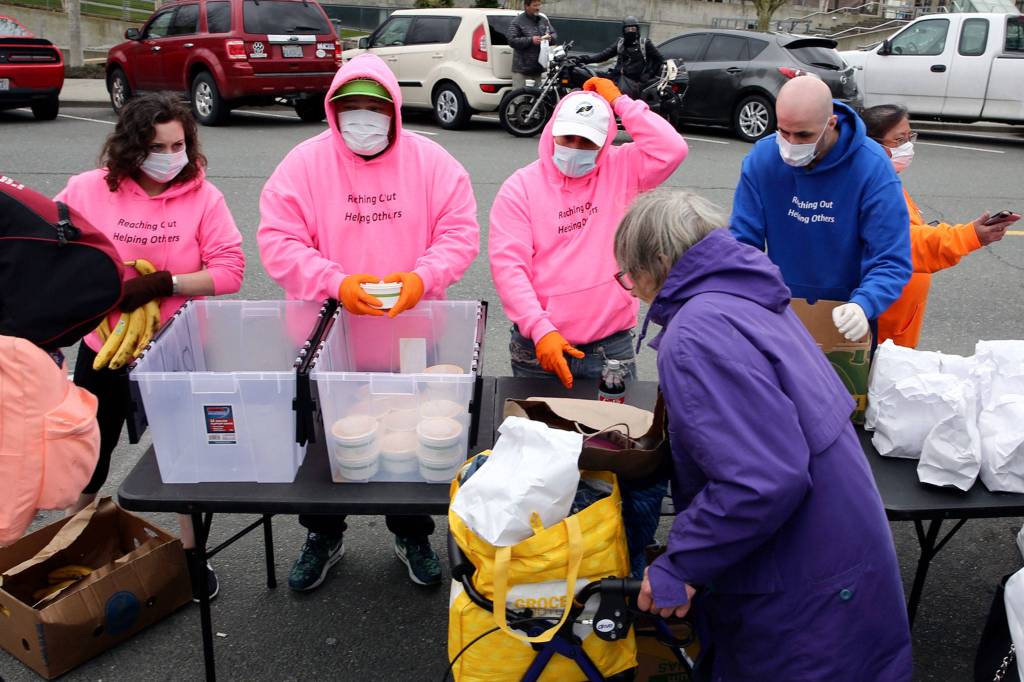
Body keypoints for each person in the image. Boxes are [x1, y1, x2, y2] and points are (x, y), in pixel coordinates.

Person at [616, 188, 913, 680]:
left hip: (802, 572)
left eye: (630, 274)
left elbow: (759, 479)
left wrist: (681, 565)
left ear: (662, 263)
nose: (631, 286)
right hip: (837, 536)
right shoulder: (747, 291)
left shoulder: (694, 333)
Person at [257, 54, 479, 592]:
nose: (362, 119)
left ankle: (411, 532)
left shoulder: (432, 162)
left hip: (409, 333)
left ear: (394, 111)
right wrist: (335, 282)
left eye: (374, 108)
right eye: (350, 107)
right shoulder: (304, 164)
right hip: (329, 333)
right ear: (333, 111)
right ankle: (322, 534)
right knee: (328, 445)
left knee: (408, 440)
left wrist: (422, 279)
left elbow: (459, 234)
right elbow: (277, 241)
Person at [488, 77, 687, 576]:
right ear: (551, 132)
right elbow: (509, 266)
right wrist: (540, 328)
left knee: (626, 456)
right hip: (541, 348)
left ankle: (625, 562)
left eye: (587, 143)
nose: (574, 151)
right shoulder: (521, 187)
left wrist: (622, 103)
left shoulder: (621, 169)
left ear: (605, 144)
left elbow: (672, 148)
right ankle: (549, 558)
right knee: (545, 459)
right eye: (567, 138)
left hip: (612, 345)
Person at [57, 92, 246, 601]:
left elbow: (230, 271)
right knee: (90, 455)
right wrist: (99, 286)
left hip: (178, 349)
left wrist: (166, 283)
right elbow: (59, 258)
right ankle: (69, 554)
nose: (171, 154)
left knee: (184, 459)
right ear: (131, 147)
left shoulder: (205, 198)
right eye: (158, 145)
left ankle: (190, 558)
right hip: (106, 345)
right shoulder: (86, 190)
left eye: (178, 144)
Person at [730, 76, 912, 343]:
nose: (791, 145)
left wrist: (865, 303)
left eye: (804, 135)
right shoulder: (764, 158)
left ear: (831, 124)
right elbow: (742, 243)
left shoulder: (871, 167)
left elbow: (891, 257)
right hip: (777, 310)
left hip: (847, 314)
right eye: (783, 131)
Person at [861, 104, 1020, 347]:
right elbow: (903, 243)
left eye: (910, 136)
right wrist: (970, 236)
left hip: (893, 325)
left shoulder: (885, 180)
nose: (908, 145)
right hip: (881, 331)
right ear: (871, 144)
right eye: (899, 140)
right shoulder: (870, 187)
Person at [580, 16, 665, 100]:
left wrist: (648, 75)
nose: (631, 31)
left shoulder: (645, 44)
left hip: (635, 83)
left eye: (633, 29)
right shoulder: (620, 43)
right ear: (624, 31)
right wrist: (584, 59)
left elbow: (660, 59)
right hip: (616, 78)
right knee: (590, 76)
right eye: (628, 29)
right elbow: (603, 55)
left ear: (637, 30)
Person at [507, 0, 557, 91]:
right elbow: (511, 40)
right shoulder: (517, 21)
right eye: (535, 5)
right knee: (519, 99)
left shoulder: (543, 20)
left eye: (539, 5)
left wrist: (550, 38)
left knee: (536, 99)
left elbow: (554, 35)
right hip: (522, 70)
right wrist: (531, 40)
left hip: (537, 69)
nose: (538, 7)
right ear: (526, 6)